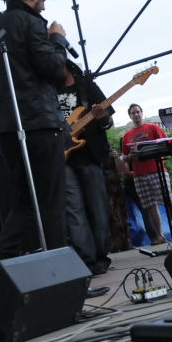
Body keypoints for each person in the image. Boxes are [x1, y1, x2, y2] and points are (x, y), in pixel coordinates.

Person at [0, 0, 70, 257]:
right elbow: (54, 69)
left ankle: (0, 261)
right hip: (39, 124)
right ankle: (61, 272)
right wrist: (58, 41)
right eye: (43, 0)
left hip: (6, 128)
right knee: (51, 201)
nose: (44, 7)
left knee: (27, 201)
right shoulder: (30, 24)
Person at [60, 60, 113, 274]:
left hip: (90, 154)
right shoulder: (46, 90)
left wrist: (103, 118)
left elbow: (107, 122)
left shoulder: (86, 85)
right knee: (74, 210)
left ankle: (100, 257)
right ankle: (86, 260)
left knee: (97, 208)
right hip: (62, 158)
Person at [116, 104, 172, 245]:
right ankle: (159, 236)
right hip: (139, 175)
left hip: (157, 170)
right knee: (150, 205)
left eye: (138, 112)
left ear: (142, 113)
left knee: (168, 201)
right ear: (130, 116)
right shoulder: (127, 136)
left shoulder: (153, 128)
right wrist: (129, 158)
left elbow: (167, 144)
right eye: (133, 113)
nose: (136, 115)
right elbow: (125, 158)